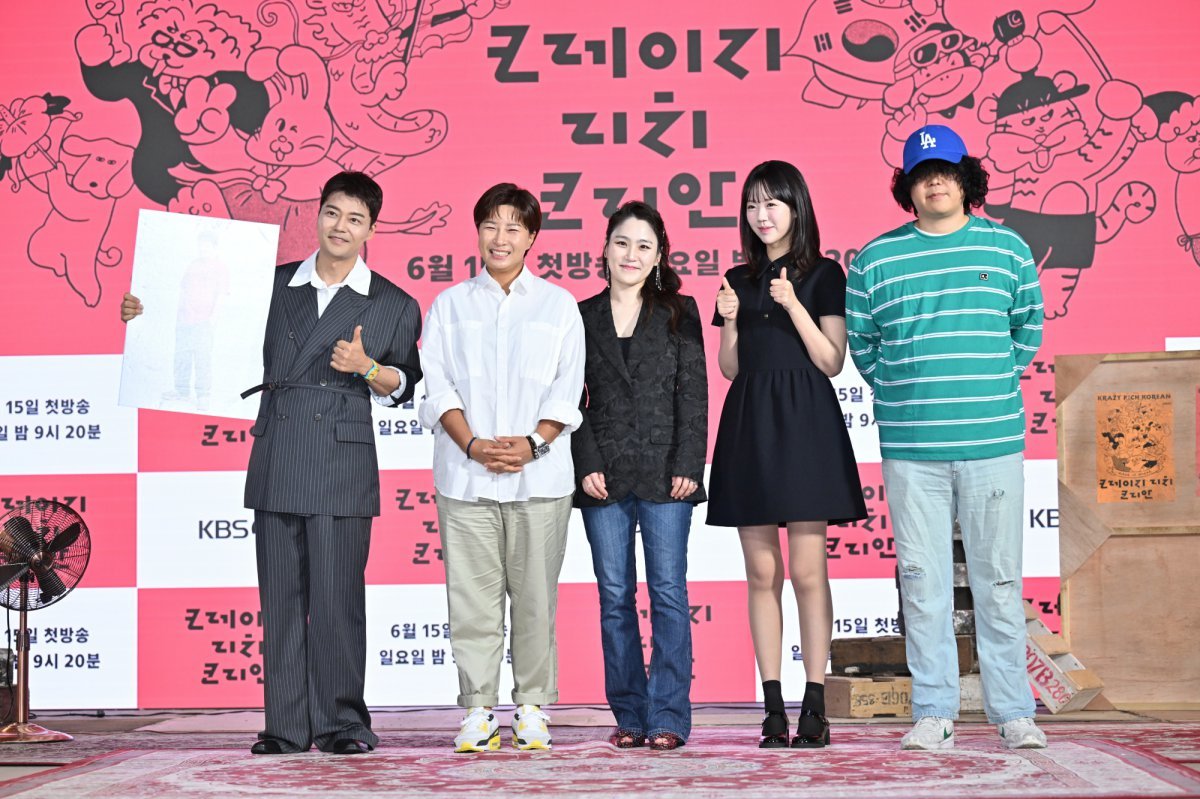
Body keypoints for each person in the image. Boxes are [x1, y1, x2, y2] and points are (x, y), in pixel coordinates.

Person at [121, 171, 422, 755]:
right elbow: (205, 327)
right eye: (332, 213)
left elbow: (407, 385)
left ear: (372, 230)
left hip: (341, 460)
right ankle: (284, 726)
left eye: (355, 219)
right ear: (318, 214)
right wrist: (147, 313)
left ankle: (342, 725)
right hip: (280, 448)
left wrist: (365, 367)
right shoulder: (270, 284)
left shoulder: (393, 302)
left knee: (337, 601)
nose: (340, 227)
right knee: (280, 599)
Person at [846, 124, 1046, 750]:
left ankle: (1014, 712)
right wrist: (903, 392)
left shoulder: (1008, 248)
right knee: (921, 580)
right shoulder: (875, 260)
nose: (934, 181)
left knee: (999, 581)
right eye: (921, 173)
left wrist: (987, 383)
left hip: (992, 445)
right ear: (906, 187)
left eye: (945, 170)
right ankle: (934, 710)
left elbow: (1028, 330)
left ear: (966, 178)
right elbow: (863, 344)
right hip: (912, 450)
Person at [418, 183, 585, 753]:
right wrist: (471, 445)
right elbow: (436, 386)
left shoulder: (558, 305)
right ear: (478, 232)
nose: (500, 237)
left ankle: (532, 708)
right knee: (471, 602)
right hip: (465, 479)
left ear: (532, 237)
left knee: (536, 600)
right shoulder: (450, 305)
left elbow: (568, 388)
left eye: (514, 227)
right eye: (491, 225)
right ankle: (478, 710)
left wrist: (534, 444)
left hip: (540, 480)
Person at [709, 161, 866, 749]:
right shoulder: (736, 277)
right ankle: (773, 707)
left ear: (797, 207)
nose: (762, 215)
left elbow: (831, 361)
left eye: (773, 202)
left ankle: (815, 704)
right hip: (750, 421)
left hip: (805, 423)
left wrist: (794, 304)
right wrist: (730, 322)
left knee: (806, 570)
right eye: (752, 205)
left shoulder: (824, 273)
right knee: (761, 571)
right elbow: (730, 368)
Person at [572, 201, 707, 752]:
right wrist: (585, 462)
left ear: (658, 257)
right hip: (602, 476)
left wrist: (689, 465)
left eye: (644, 246)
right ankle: (629, 714)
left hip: (666, 474)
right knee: (614, 597)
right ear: (605, 249)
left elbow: (693, 394)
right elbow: (568, 399)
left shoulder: (680, 311)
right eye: (622, 242)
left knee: (669, 593)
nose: (631, 254)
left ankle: (669, 715)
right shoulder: (579, 315)